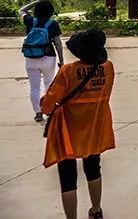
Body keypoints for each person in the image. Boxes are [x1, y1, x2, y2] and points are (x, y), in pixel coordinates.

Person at [41, 28, 115, 219]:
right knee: (93, 169)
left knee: (68, 179)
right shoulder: (108, 67)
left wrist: (44, 105)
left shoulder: (69, 71)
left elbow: (48, 104)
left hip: (68, 131)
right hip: (95, 127)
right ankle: (96, 211)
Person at [19, 0, 65, 122]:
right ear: (51, 11)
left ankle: (38, 113)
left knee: (34, 87)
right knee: (49, 83)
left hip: (30, 58)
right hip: (48, 57)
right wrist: (61, 59)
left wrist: (35, 2)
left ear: (35, 10)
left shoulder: (30, 21)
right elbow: (57, 43)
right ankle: (48, 109)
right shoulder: (52, 24)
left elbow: (21, 10)